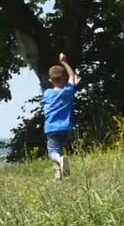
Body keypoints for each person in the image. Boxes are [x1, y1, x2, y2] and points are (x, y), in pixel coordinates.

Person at [42, 53, 77, 181]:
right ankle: (58, 178)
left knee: (53, 153)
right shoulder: (68, 91)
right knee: (59, 150)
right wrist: (64, 62)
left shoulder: (47, 93)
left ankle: (59, 160)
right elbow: (72, 76)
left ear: (50, 80)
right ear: (64, 78)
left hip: (51, 128)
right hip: (66, 127)